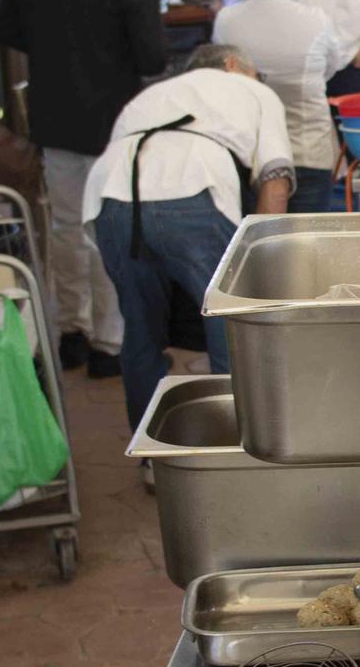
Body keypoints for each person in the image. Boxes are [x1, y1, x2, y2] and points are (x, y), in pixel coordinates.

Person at [0, 0, 168, 379]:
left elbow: (9, 29)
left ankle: (69, 328)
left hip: (53, 111)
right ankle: (108, 341)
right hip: (113, 117)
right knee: (107, 228)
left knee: (66, 226)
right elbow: (153, 58)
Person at [84, 44, 292, 429]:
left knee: (141, 330)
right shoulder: (255, 91)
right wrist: (260, 272)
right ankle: (238, 448)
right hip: (191, 189)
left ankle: (153, 457)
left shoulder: (150, 96)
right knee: (230, 324)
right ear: (233, 64)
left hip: (110, 200)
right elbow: (275, 183)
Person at [213, 0, 343, 213]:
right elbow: (332, 67)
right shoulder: (316, 21)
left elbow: (221, 77)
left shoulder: (226, 22)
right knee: (310, 249)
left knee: (259, 247)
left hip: (250, 156)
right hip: (308, 150)